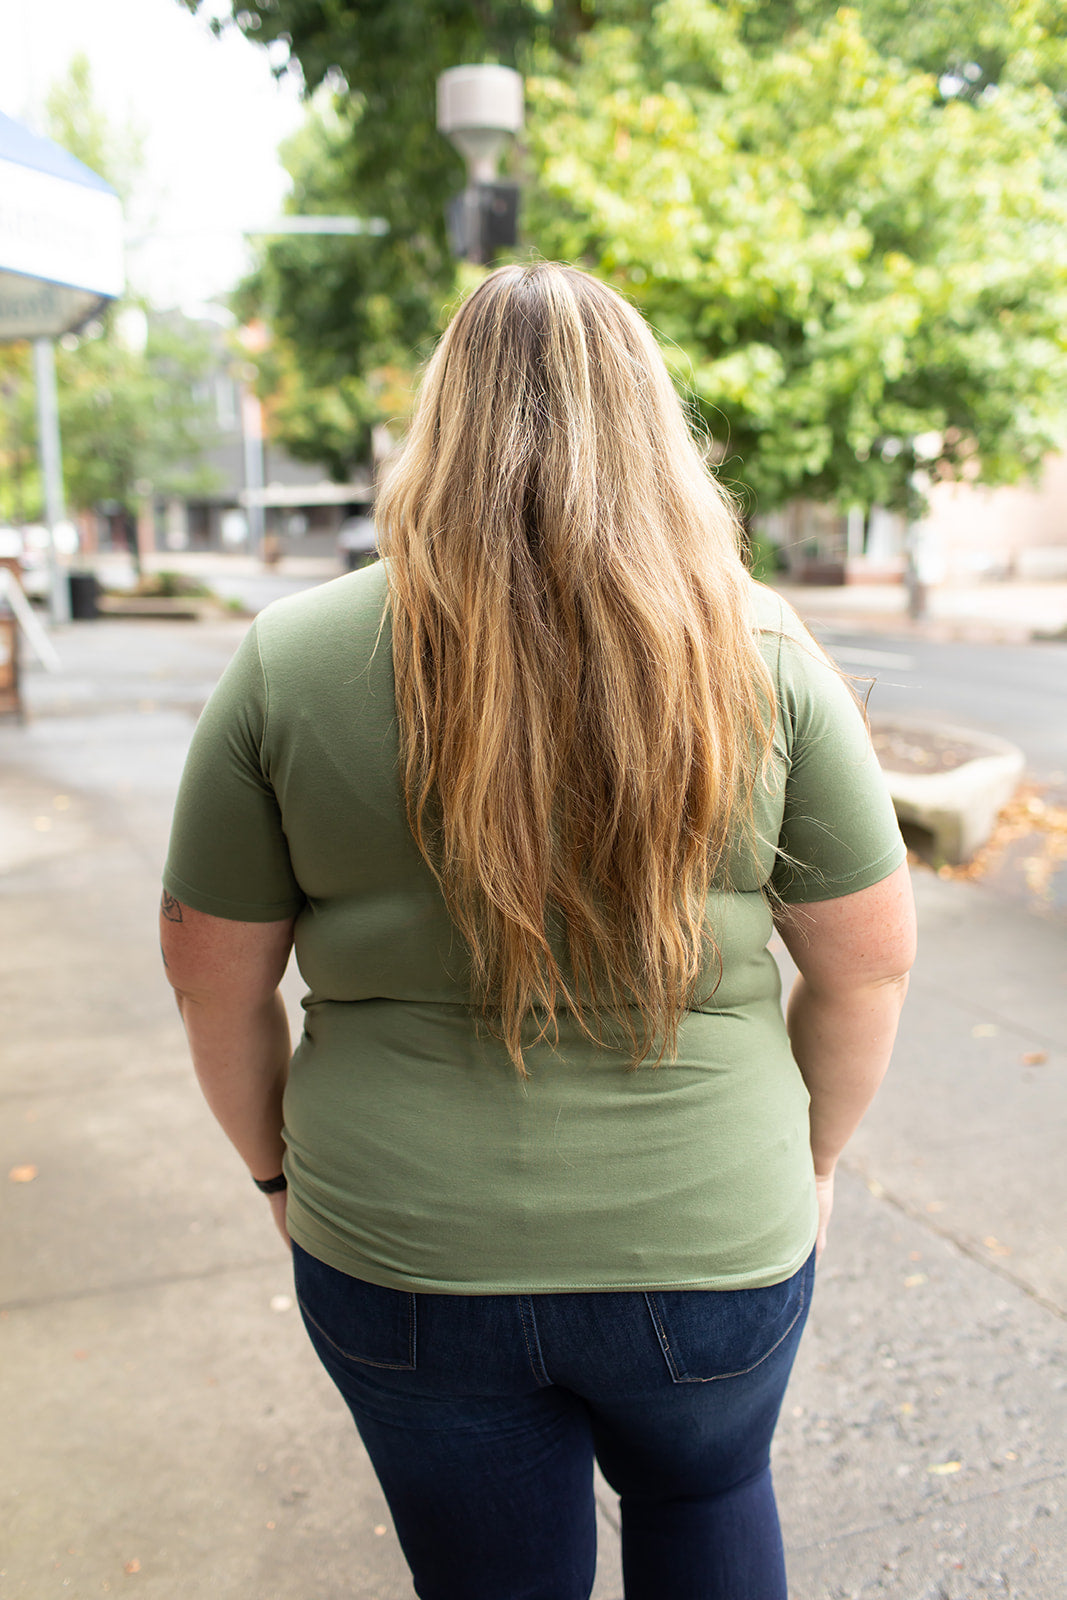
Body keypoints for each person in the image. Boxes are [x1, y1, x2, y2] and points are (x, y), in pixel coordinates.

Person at [160, 262, 915, 1600]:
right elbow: (868, 966)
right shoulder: (762, 653)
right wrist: (812, 1161)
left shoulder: (293, 658)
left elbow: (211, 979)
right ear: (654, 429)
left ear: (440, 424)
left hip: (399, 1249)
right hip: (711, 1236)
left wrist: (279, 1179)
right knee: (708, 1495)